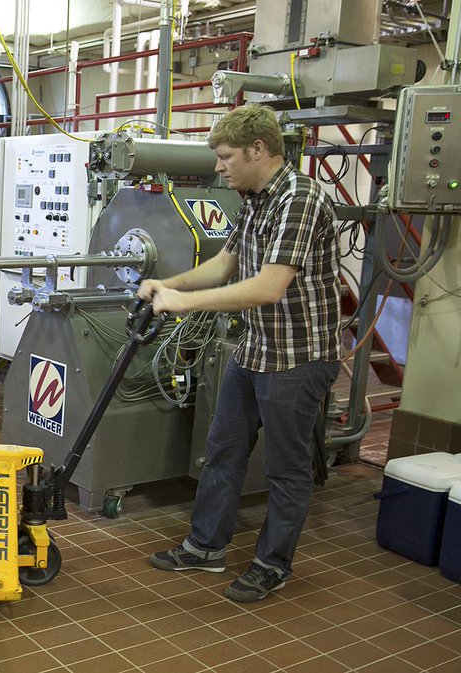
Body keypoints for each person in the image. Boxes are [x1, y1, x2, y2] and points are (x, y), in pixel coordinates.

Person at [139, 104, 342, 602]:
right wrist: (167, 283)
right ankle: (205, 547)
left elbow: (269, 287)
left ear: (258, 150)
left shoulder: (300, 199)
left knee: (286, 469)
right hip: (255, 351)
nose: (218, 167)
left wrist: (183, 302)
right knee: (223, 451)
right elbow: (224, 265)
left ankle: (272, 564)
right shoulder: (254, 199)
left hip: (298, 358)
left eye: (225, 156)